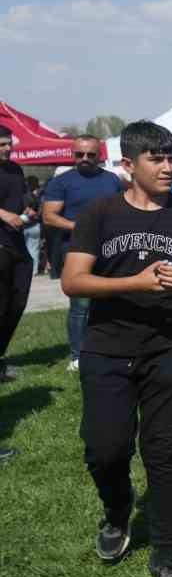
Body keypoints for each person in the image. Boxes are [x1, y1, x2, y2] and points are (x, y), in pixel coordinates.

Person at [61, 121, 172, 577]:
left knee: (165, 452)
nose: (169, 167)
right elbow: (73, 281)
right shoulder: (100, 214)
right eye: (157, 159)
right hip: (108, 348)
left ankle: (166, 554)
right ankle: (117, 511)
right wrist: (138, 282)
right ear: (128, 165)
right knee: (105, 448)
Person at [41, 135, 124, 371]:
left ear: (100, 155)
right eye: (79, 154)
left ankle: (111, 347)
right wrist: (83, 227)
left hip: (111, 249)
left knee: (114, 299)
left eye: (90, 154)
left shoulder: (112, 180)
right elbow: (49, 216)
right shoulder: (61, 182)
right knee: (81, 305)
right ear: (73, 154)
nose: (85, 159)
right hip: (76, 250)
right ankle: (77, 356)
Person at [0, 124, 36, 386]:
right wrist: (3, 214)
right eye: (1, 144)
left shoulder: (15, 169)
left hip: (16, 243)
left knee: (17, 301)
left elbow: (23, 199)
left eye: (9, 143)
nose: (8, 148)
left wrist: (29, 209)